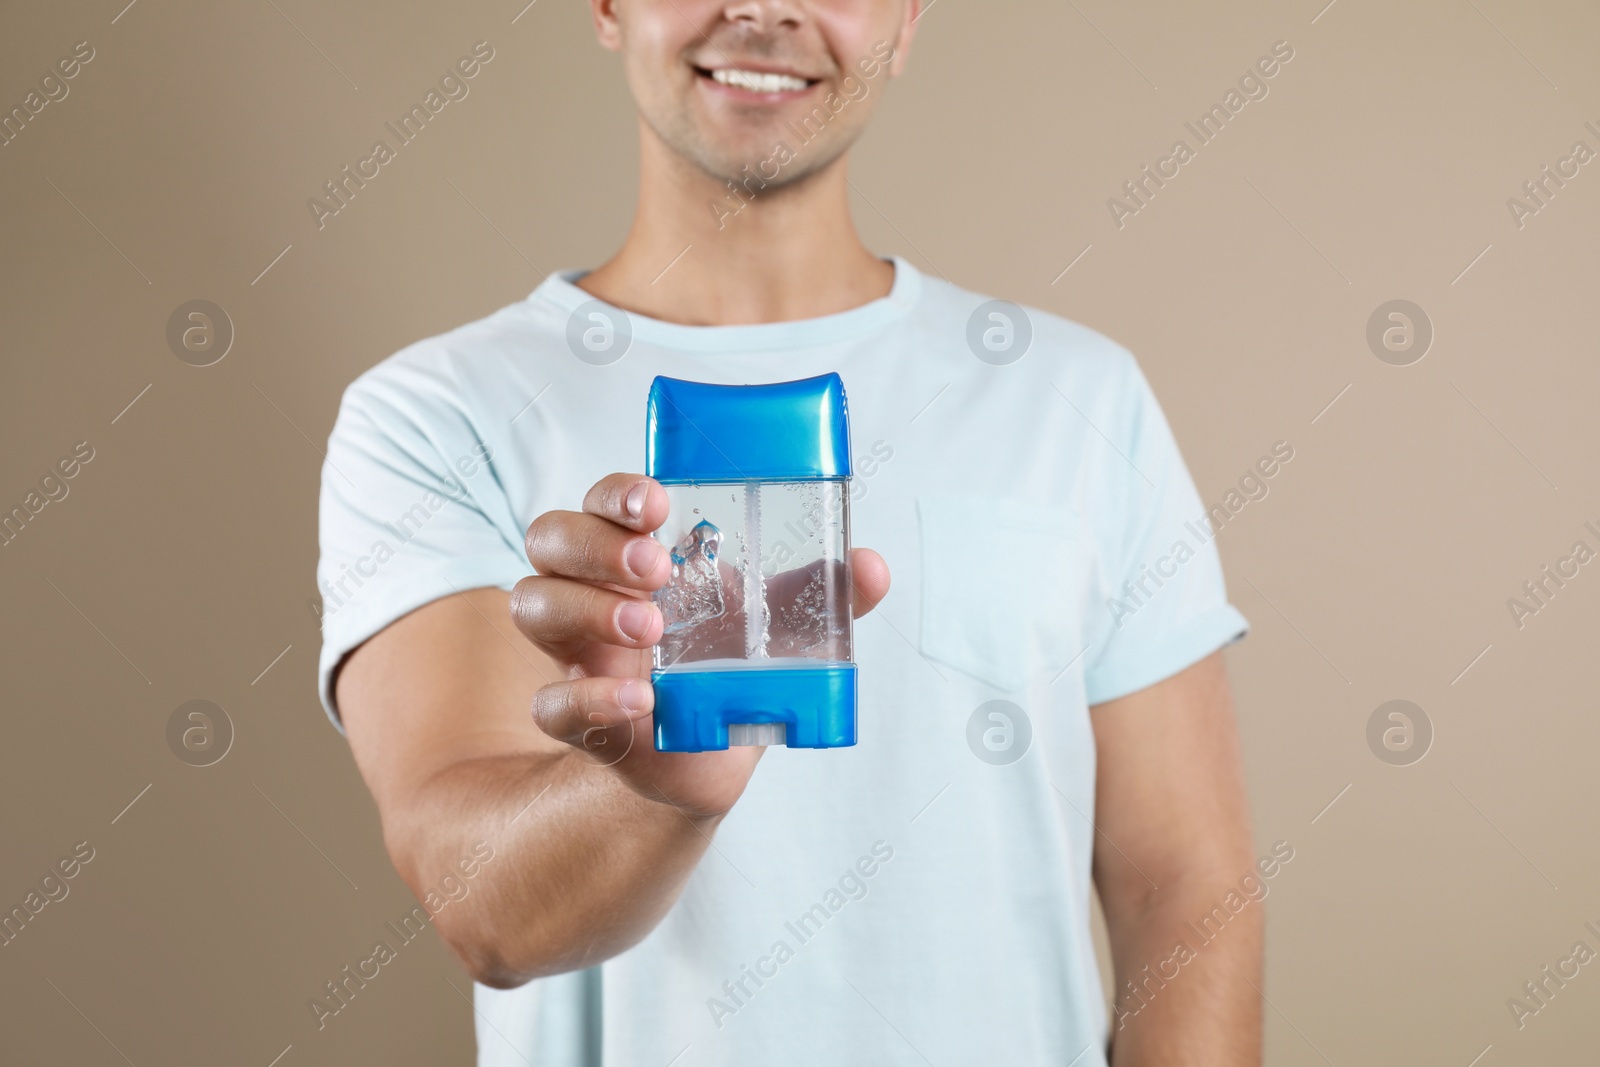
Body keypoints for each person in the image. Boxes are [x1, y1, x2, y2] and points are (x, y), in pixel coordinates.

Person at [316, 1, 1263, 1063]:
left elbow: (1182, 887)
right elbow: (481, 910)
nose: (763, 8)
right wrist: (656, 791)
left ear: (906, 21)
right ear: (608, 7)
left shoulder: (1079, 400)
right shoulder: (437, 413)